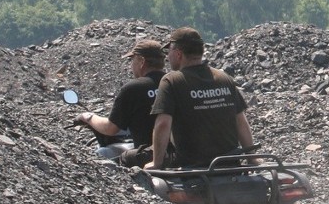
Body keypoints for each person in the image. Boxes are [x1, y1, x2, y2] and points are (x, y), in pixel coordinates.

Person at [146, 26, 255, 170]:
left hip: (194, 169)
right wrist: (252, 159)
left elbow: (163, 124)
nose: (167, 57)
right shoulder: (224, 78)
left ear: (178, 54)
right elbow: (241, 122)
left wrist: (156, 163)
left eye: (169, 51)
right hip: (230, 166)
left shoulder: (172, 81)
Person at [76, 38, 166, 168]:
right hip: (176, 153)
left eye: (132, 60)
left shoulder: (133, 88)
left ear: (141, 61)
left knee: (104, 157)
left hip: (146, 154)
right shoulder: (173, 83)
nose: (131, 65)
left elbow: (110, 128)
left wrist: (88, 117)